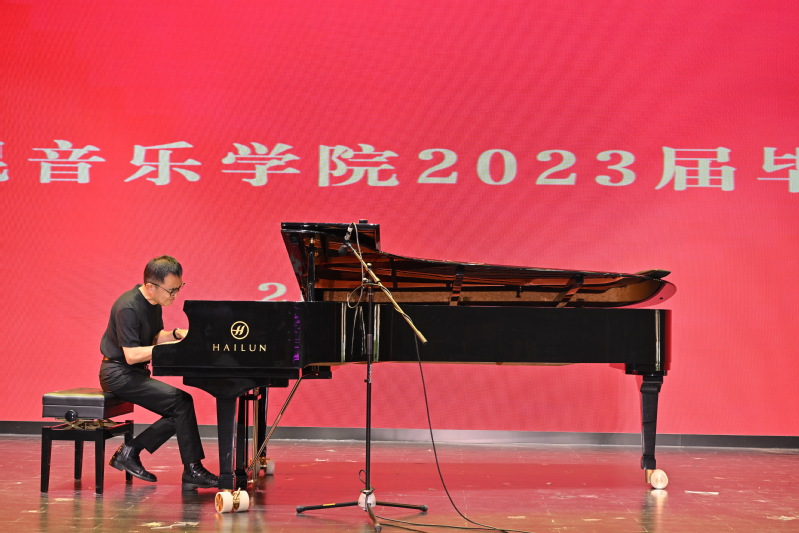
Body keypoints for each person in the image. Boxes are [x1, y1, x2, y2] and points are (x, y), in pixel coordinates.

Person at [99, 255, 218, 491]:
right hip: (117, 374)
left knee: (180, 409)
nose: (175, 295)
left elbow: (153, 337)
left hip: (133, 372)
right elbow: (132, 354)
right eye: (171, 290)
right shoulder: (128, 307)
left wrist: (176, 334)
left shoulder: (153, 303)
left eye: (179, 288)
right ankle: (192, 470)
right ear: (151, 286)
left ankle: (131, 452)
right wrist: (173, 348)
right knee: (181, 403)